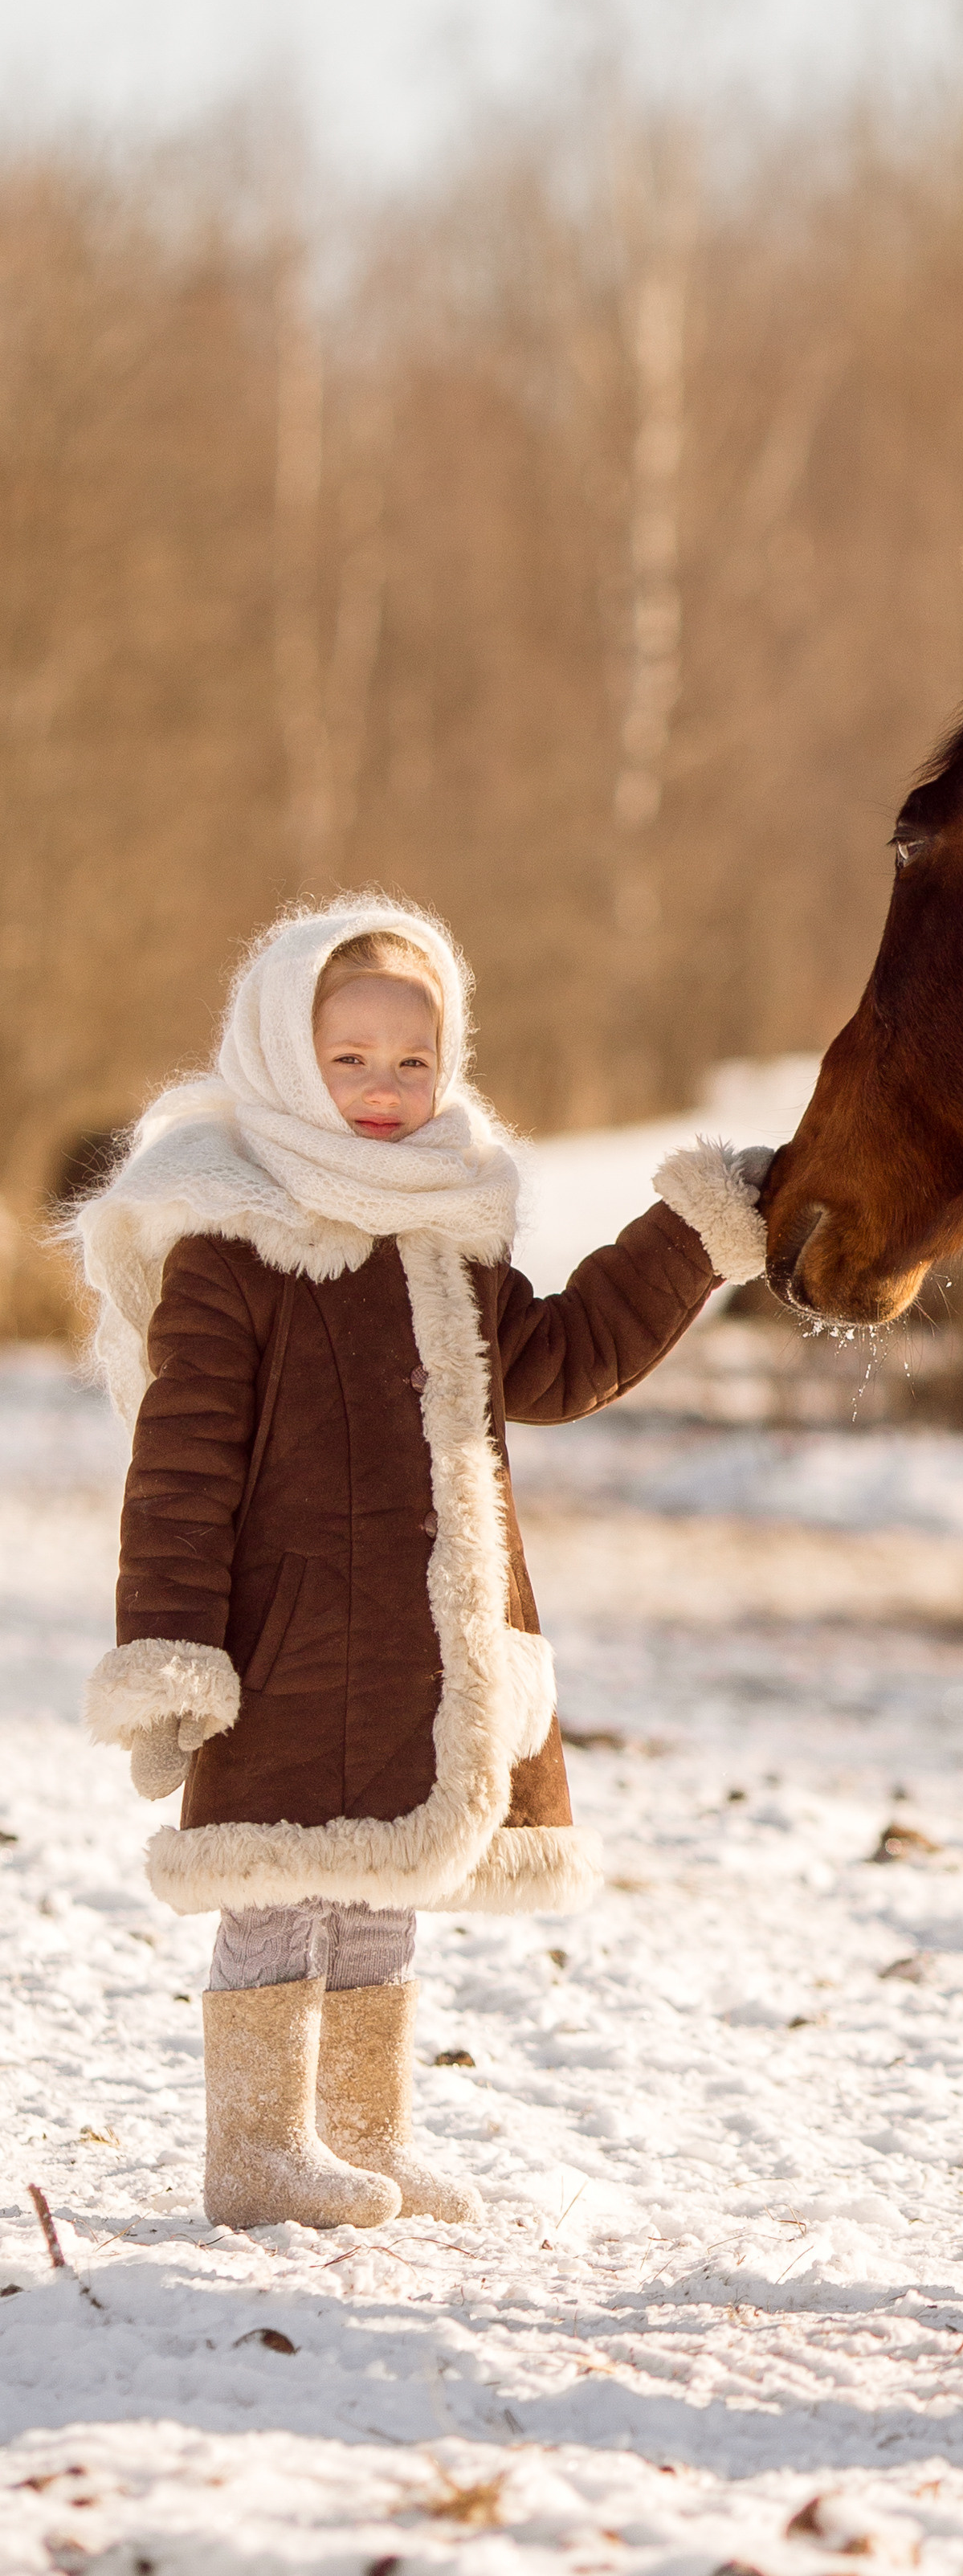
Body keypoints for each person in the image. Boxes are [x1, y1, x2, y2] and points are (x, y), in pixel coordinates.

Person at [75, 896, 773, 2232]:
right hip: (290, 1637)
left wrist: (692, 1234)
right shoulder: (236, 1242)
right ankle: (258, 2150)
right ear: (286, 1054)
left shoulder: (453, 1227)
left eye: (413, 1059)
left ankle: (361, 2131)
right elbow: (181, 1466)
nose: (386, 1089)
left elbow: (560, 1362)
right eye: (351, 1059)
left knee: (391, 1882)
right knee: (286, 1883)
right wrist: (170, 1645)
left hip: (428, 1642)